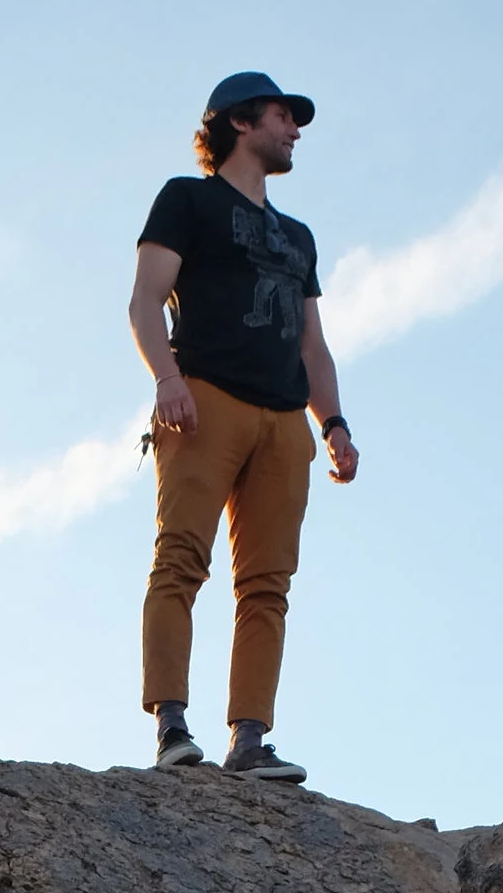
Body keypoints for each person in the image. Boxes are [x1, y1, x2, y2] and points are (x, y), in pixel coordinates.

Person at [129, 70, 359, 784]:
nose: (294, 130)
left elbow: (311, 343)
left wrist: (334, 425)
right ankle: (171, 727)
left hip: (284, 421)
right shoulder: (188, 200)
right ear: (237, 122)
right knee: (180, 559)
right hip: (205, 399)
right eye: (282, 116)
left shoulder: (298, 236)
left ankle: (250, 742)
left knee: (267, 585)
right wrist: (168, 380)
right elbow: (143, 301)